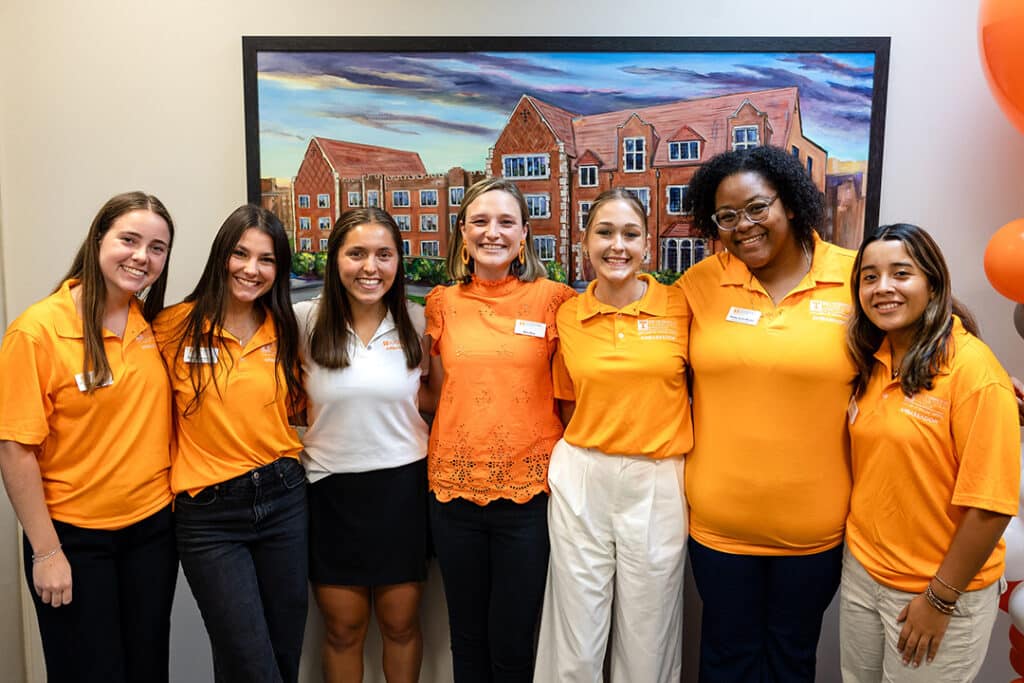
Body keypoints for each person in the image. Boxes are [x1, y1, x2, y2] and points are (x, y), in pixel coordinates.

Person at [677, 144, 856, 682]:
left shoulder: (852, 277)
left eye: (758, 208)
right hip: (719, 527)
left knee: (791, 661)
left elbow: (928, 319)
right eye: (727, 216)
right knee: (725, 660)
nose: (744, 226)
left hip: (815, 530)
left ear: (792, 204)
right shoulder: (700, 285)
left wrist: (977, 367)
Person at [0, 191, 177, 683]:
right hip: (74, 541)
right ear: (99, 239)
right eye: (129, 240)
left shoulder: (150, 326)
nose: (142, 257)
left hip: (151, 534)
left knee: (146, 671)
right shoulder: (37, 332)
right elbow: (15, 450)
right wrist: (47, 551)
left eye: (158, 248)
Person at [840, 223, 1020, 681]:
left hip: (935, 591)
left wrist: (939, 600)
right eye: (869, 276)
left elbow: (990, 507)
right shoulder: (873, 359)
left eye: (901, 273)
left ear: (933, 283)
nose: (883, 288)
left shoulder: (973, 371)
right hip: (864, 576)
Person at [534, 188, 690, 682]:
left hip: (658, 479)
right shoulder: (568, 316)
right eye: (604, 232)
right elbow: (567, 401)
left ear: (648, 244)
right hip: (583, 473)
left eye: (630, 233)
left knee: (649, 635)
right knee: (575, 638)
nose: (617, 245)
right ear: (584, 242)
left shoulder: (681, 308)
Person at [423, 177, 575, 681]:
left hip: (529, 497)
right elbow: (438, 392)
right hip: (452, 494)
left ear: (525, 234)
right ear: (462, 233)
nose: (493, 232)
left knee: (513, 642)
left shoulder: (556, 301)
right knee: (466, 638)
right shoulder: (442, 303)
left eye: (506, 222)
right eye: (481, 221)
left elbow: (571, 394)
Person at [153, 205, 307, 683]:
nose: (251, 269)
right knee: (251, 663)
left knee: (280, 656)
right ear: (222, 255)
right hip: (210, 517)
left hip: (284, 501)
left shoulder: (284, 329)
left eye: (266, 260)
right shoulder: (171, 327)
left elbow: (298, 407)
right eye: (241, 254)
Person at [295, 207, 429, 683]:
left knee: (400, 623)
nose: (370, 267)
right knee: (343, 629)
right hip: (330, 489)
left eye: (383, 254)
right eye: (356, 254)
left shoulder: (419, 320)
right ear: (335, 261)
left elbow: (433, 397)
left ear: (398, 262)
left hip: (403, 489)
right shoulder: (303, 321)